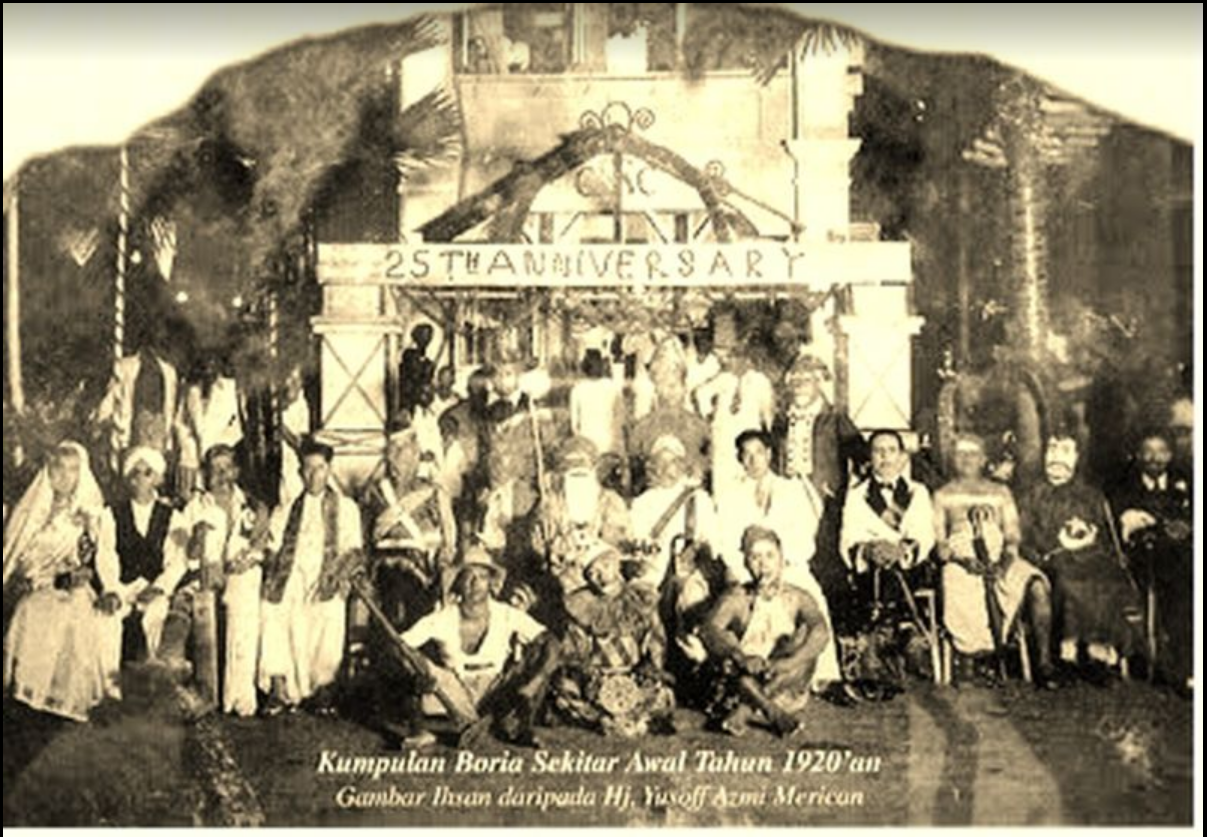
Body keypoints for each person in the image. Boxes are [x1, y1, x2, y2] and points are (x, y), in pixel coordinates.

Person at [400, 548, 561, 747]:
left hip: (496, 692)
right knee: (414, 661)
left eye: (482, 577)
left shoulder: (506, 614)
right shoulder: (441, 619)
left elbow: (552, 642)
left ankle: (521, 728)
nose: (475, 584)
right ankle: (421, 731)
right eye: (468, 576)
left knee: (540, 651)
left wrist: (536, 682)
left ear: (491, 582)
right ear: (457, 582)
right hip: (455, 690)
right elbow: (399, 645)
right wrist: (414, 669)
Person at [716, 430, 840, 685]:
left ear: (769, 455)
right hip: (747, 569)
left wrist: (781, 566)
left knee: (813, 597)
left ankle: (823, 675)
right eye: (746, 454)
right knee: (735, 605)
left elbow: (805, 535)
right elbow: (726, 542)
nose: (753, 460)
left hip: (790, 566)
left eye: (758, 453)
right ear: (739, 458)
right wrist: (746, 571)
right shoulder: (730, 495)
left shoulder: (791, 489)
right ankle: (754, 671)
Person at [934, 435, 1056, 687]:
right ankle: (969, 659)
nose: (967, 459)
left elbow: (1012, 535)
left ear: (984, 459)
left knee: (1037, 586)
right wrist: (962, 560)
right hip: (963, 560)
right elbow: (940, 544)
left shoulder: (1000, 492)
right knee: (955, 582)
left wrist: (1005, 561)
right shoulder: (943, 494)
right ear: (953, 458)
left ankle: (1044, 663)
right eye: (961, 454)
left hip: (1002, 556)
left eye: (973, 453)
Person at [3, 442, 110, 721]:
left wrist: (73, 570)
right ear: (48, 472)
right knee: (33, 610)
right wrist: (35, 576)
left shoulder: (87, 514)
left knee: (73, 610)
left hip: (68, 584)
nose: (65, 476)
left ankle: (61, 694)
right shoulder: (32, 510)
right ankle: (29, 692)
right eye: (58, 469)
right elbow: (16, 554)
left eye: (73, 470)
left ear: (81, 474)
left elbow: (90, 562)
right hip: (33, 583)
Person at [1021, 434, 1142, 682]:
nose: (1056, 457)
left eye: (1065, 451)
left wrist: (1091, 544)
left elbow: (1107, 538)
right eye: (1052, 449)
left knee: (1106, 578)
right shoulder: (1032, 494)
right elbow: (1023, 537)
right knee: (1066, 579)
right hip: (1049, 561)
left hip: (1089, 559)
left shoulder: (1091, 496)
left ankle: (1097, 652)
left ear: (1077, 458)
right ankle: (1068, 651)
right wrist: (1042, 556)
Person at [259, 438, 365, 714]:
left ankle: (323, 690)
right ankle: (279, 688)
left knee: (330, 611)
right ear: (300, 472)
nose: (314, 475)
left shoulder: (346, 507)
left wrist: (339, 575)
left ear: (329, 469)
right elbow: (272, 547)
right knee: (271, 608)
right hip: (291, 575)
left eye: (320, 468)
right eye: (308, 469)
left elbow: (353, 549)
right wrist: (272, 569)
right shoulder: (286, 509)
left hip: (327, 575)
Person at [167, 445, 270, 716]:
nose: (222, 475)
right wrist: (198, 544)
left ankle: (239, 696)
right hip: (203, 574)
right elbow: (183, 557)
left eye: (227, 468)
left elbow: (261, 547)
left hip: (240, 573)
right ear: (206, 473)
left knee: (243, 594)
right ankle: (204, 692)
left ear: (236, 471)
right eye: (215, 469)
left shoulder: (253, 505)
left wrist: (245, 561)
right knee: (190, 605)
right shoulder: (194, 506)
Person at [700, 526, 830, 738]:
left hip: (785, 684)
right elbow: (710, 629)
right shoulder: (736, 598)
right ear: (746, 563)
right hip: (746, 682)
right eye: (755, 557)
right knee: (735, 670)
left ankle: (745, 711)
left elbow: (821, 632)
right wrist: (740, 656)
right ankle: (774, 714)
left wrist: (786, 663)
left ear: (781, 558)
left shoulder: (798, 597)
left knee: (805, 651)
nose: (763, 565)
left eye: (770, 556)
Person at [838, 430, 936, 693]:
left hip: (909, 567)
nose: (885, 457)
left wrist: (901, 550)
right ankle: (902, 636)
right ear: (870, 457)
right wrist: (869, 549)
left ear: (903, 457)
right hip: (871, 568)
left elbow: (924, 534)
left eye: (891, 450)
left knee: (890, 573)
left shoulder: (918, 492)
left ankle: (879, 652)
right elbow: (849, 534)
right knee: (880, 573)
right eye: (878, 451)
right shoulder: (857, 494)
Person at [552, 545, 675, 738]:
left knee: (660, 694)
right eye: (591, 572)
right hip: (595, 676)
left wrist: (651, 667)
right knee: (565, 690)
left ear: (617, 564)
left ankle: (628, 718)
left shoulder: (639, 598)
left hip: (633, 674)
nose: (599, 576)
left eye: (605, 566)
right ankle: (609, 718)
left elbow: (656, 641)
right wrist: (588, 673)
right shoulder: (581, 604)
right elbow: (573, 649)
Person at [95, 447, 189, 677]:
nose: (140, 479)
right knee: (107, 618)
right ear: (127, 478)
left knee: (154, 615)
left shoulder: (172, 516)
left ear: (157, 478)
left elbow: (177, 560)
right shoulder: (112, 514)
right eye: (134, 473)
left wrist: (159, 587)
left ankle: (150, 685)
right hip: (123, 584)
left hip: (153, 585)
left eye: (147, 473)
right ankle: (109, 685)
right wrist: (112, 589)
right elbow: (106, 554)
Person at [1113, 430, 1192, 690]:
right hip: (1140, 559)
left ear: (1170, 455)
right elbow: (1121, 524)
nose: (1154, 458)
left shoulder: (1186, 481)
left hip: (1180, 561)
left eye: (1161, 452)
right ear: (1138, 455)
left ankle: (1183, 666)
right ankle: (1146, 659)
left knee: (1182, 595)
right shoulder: (1125, 484)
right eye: (1147, 451)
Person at [365, 424, 457, 630]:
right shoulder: (374, 493)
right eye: (390, 450)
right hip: (383, 572)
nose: (394, 458)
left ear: (416, 453)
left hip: (424, 573)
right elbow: (364, 539)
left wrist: (442, 567)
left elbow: (448, 541)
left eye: (401, 450)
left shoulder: (433, 493)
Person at [533, 436, 631, 602]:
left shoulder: (611, 502)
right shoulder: (550, 506)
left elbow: (619, 547)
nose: (578, 474)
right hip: (561, 591)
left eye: (583, 468)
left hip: (605, 588)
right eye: (571, 470)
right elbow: (540, 551)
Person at [629, 340, 710, 494]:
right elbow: (635, 482)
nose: (671, 390)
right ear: (656, 389)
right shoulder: (641, 430)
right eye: (664, 383)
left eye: (676, 383)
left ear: (684, 387)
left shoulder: (699, 427)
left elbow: (707, 472)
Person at [92, 343, 180, 478]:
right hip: (134, 425)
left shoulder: (168, 370)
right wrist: (101, 419)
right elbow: (112, 395)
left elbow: (171, 403)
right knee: (132, 469)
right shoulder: (125, 366)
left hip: (158, 425)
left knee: (154, 469)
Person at [696, 347, 775, 496]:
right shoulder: (723, 378)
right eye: (729, 358)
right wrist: (709, 417)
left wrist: (766, 437)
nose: (731, 362)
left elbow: (768, 413)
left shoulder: (760, 380)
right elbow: (701, 394)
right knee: (722, 483)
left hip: (748, 439)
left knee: (748, 483)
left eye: (736, 357)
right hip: (723, 439)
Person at [176, 356, 244, 498]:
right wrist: (189, 452)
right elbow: (181, 423)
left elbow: (237, 426)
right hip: (194, 458)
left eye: (214, 363)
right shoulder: (190, 389)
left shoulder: (230, 388)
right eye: (206, 364)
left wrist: (220, 451)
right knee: (194, 501)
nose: (209, 368)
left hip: (221, 457)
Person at [569, 349, 625, 459]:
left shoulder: (577, 390)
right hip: (611, 446)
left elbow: (574, 425)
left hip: (587, 448)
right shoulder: (612, 387)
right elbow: (621, 418)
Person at [399, 323, 436, 419]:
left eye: (429, 336)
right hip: (407, 400)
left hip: (421, 401)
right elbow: (413, 376)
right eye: (424, 335)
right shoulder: (409, 355)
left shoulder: (427, 362)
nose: (427, 339)